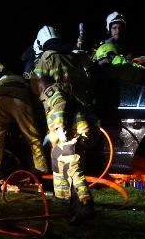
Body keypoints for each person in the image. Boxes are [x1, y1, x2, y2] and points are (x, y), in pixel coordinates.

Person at [37, 76, 99, 224]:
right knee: (63, 165)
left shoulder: (52, 91)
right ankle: (73, 205)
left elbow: (60, 104)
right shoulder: (58, 91)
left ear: (40, 87)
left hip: (73, 133)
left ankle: (85, 205)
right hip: (73, 133)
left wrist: (59, 128)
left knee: (72, 168)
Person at [0, 71, 48, 192]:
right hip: (20, 97)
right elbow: (35, 96)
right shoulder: (24, 80)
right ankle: (40, 175)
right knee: (32, 137)